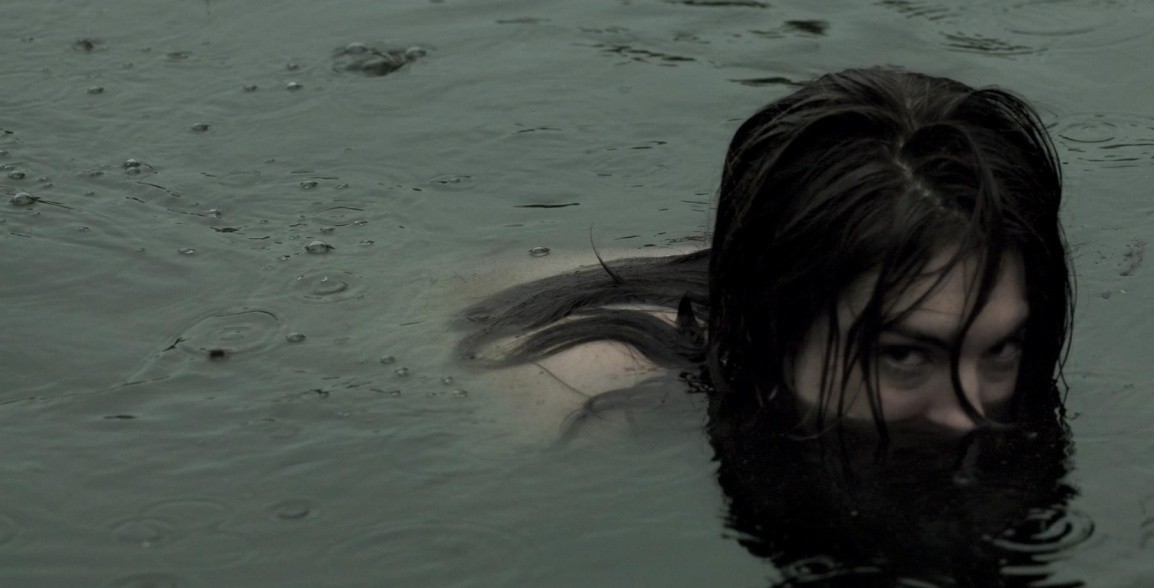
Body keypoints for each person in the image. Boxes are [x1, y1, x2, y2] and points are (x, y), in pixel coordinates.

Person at [456, 67, 1074, 446]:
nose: (970, 415)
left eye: (1001, 349)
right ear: (774, 329)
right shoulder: (584, 394)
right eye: (906, 356)